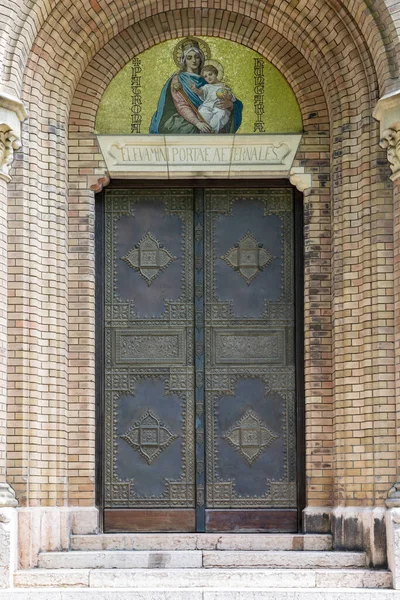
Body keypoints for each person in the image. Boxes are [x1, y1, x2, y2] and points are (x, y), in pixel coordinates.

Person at [150, 39, 242, 134]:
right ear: (184, 60)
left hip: (212, 114)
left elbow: (232, 100)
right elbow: (181, 105)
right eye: (189, 58)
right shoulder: (178, 79)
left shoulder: (207, 79)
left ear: (201, 58)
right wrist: (197, 123)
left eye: (197, 57)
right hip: (188, 118)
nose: (194, 61)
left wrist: (230, 105)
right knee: (192, 130)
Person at [190, 65, 236, 133]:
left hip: (219, 107)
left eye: (210, 74)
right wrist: (195, 89)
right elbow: (201, 93)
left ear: (216, 73)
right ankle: (205, 130)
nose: (208, 77)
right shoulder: (207, 87)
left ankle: (212, 132)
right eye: (205, 76)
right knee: (203, 113)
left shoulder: (224, 86)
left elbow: (232, 98)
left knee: (220, 116)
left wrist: (228, 96)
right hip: (207, 106)